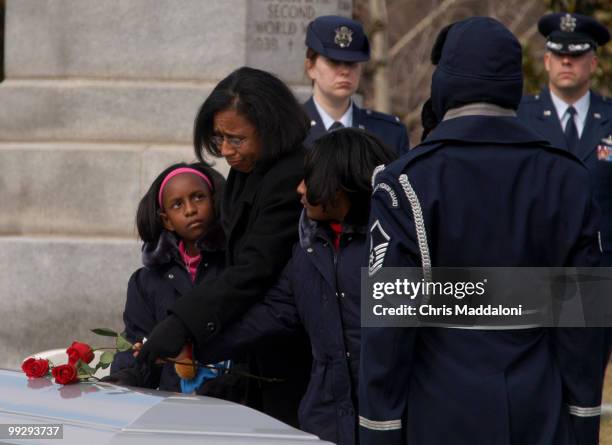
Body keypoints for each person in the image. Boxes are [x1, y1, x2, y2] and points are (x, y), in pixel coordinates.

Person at [359, 17, 605, 445]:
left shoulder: (406, 183)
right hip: (539, 409)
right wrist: (582, 418)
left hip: (439, 412)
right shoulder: (567, 178)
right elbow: (582, 328)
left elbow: (389, 332)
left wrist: (380, 429)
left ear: (445, 83)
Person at [192, 128, 395, 445]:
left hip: (388, 422)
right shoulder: (309, 248)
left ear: (338, 183)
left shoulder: (397, 247)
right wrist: (193, 342)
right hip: (325, 422)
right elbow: (273, 313)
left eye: (309, 178)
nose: (299, 189)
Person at [136, 67, 312, 426]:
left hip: (288, 356)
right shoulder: (246, 170)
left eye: (237, 139)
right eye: (220, 139)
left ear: (270, 129)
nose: (227, 151)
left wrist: (184, 322)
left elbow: (254, 268)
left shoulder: (289, 176)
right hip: (251, 354)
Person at [109, 162, 228, 393]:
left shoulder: (233, 267)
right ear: (166, 220)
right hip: (171, 404)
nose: (190, 210)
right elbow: (137, 341)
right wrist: (123, 378)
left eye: (198, 198)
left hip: (230, 400)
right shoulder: (146, 282)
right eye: (177, 204)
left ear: (213, 202)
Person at [518, 13, 611, 264]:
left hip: (601, 267)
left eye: (576, 55)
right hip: (537, 266)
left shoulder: (610, 117)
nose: (567, 61)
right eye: (559, 55)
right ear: (547, 61)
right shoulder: (520, 117)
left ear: (593, 63)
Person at [303, 15, 410, 155]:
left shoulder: (389, 133)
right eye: (333, 61)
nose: (345, 71)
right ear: (310, 67)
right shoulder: (289, 130)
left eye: (352, 63)